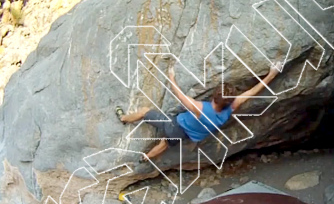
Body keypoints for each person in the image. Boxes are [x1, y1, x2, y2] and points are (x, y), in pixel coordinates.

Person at [116, 63, 282, 160]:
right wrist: (272, 74)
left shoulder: (200, 108)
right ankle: (145, 158)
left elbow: (180, 95)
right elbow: (251, 92)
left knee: (145, 111)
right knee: (165, 144)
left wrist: (171, 77)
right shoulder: (230, 109)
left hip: (175, 125)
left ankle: (123, 118)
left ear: (214, 96)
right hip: (186, 135)